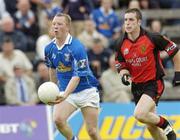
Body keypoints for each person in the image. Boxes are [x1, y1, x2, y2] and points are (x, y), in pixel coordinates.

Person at [115, 8, 180, 140]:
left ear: (139, 22)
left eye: (131, 20)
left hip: (153, 83)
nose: (127, 23)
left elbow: (175, 51)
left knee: (139, 114)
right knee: (150, 126)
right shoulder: (120, 43)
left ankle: (166, 125)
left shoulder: (152, 37)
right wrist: (124, 74)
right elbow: (121, 64)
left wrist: (178, 73)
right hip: (137, 87)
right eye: (125, 20)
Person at [44, 13, 101, 140]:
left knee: (92, 131)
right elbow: (52, 69)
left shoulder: (77, 47)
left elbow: (77, 77)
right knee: (58, 120)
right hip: (66, 90)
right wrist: (53, 90)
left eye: (59, 24)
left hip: (87, 90)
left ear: (68, 27)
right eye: (54, 24)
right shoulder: (49, 49)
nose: (55, 27)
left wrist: (65, 95)